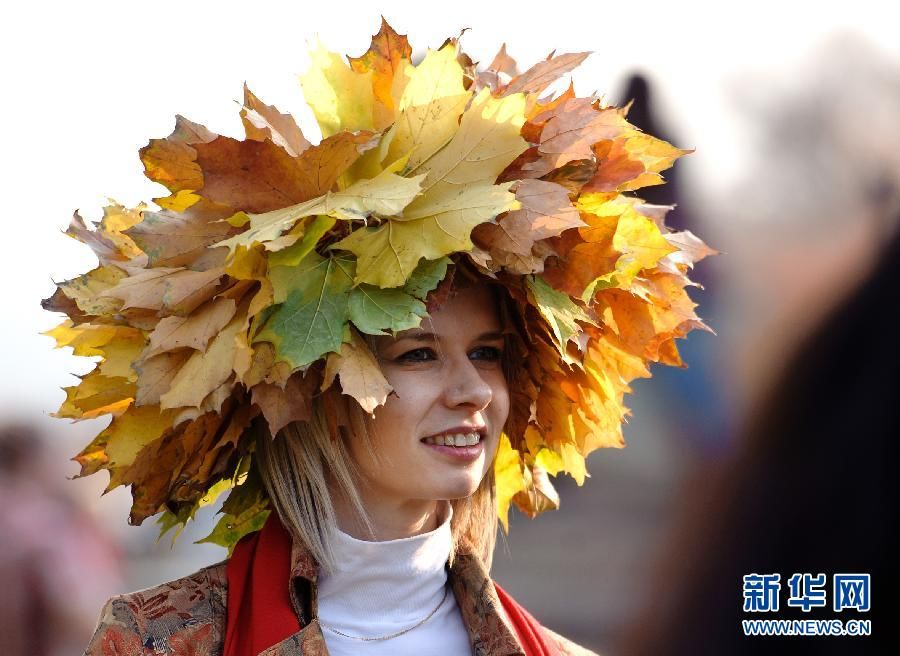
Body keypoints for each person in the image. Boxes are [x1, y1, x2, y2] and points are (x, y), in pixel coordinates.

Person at [42, 19, 712, 656]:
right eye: (419, 353)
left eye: (487, 353)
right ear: (312, 388)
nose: (473, 390)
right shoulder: (160, 641)